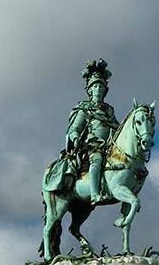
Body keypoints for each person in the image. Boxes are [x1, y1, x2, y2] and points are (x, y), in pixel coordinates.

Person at [42, 59, 120, 203]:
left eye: (101, 87)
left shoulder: (109, 110)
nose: (99, 90)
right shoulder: (84, 109)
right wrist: (77, 138)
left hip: (108, 146)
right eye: (95, 87)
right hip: (91, 146)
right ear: (90, 90)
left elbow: (116, 127)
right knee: (97, 160)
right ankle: (95, 194)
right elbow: (74, 129)